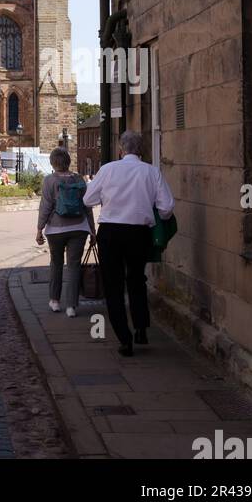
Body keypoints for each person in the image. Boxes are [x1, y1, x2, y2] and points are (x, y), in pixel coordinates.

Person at [83, 130, 175, 356]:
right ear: (140, 150)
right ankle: (141, 329)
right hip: (139, 233)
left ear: (120, 149)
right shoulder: (152, 172)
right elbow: (167, 207)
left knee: (113, 286)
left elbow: (88, 199)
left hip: (111, 232)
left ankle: (124, 338)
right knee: (136, 280)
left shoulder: (107, 170)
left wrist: (109, 198)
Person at [36, 146, 95, 316]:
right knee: (74, 266)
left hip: (55, 229)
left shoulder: (49, 180)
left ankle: (55, 301)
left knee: (56, 263)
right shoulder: (79, 179)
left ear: (52, 163)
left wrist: (39, 229)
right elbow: (88, 207)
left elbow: (45, 207)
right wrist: (92, 230)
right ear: (68, 161)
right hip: (79, 228)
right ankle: (71, 306)